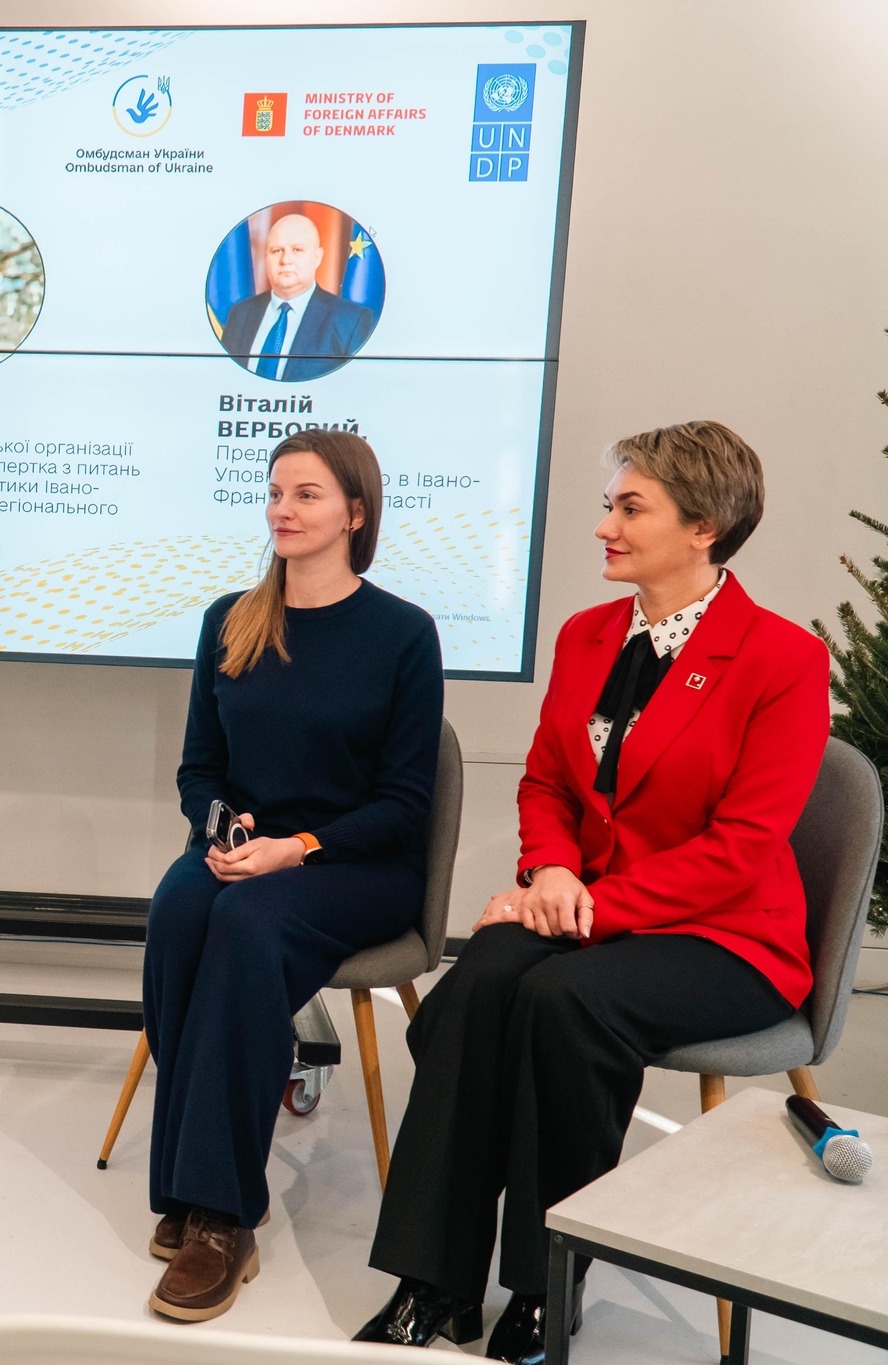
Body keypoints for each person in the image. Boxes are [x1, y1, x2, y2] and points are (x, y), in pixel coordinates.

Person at [356, 421, 827, 1362]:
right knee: (479, 984)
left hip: (728, 935)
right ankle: (432, 1279)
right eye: (608, 504)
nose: (604, 525)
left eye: (630, 507)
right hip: (586, 904)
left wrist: (587, 907)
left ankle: (546, 1283)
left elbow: (744, 847)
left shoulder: (782, 659)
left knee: (563, 1001)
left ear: (704, 526)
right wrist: (552, 871)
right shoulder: (587, 635)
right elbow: (546, 783)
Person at [143, 430, 443, 1322]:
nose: (282, 508)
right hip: (248, 847)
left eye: (306, 494)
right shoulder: (229, 619)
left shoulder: (403, 633)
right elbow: (199, 769)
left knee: (247, 924)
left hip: (356, 863)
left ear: (355, 513)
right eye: (275, 491)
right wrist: (225, 828)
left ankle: (218, 1214)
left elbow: (405, 806)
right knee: (177, 910)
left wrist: (296, 846)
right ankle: (196, 1181)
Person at [219, 213, 375, 382]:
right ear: (266, 257)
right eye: (276, 250)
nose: (285, 260)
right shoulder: (240, 313)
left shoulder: (350, 320)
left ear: (317, 257)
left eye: (297, 250)